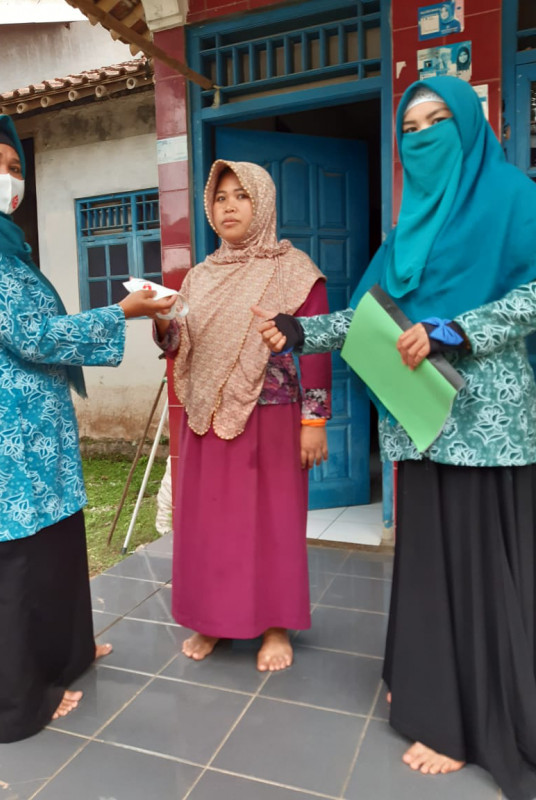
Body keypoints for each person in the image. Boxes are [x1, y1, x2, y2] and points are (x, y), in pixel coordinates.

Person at [255, 76, 536, 800]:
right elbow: (371, 316)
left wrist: (457, 328)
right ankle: (425, 691)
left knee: (478, 569)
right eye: (410, 128)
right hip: (419, 425)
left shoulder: (513, 197)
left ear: (470, 126)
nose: (424, 136)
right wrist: (302, 331)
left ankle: (472, 721)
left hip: (486, 426)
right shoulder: (407, 230)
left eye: (439, 120)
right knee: (429, 564)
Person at [0, 115, 175, 743]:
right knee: (10, 561)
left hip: (35, 425)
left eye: (15, 167)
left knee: (56, 544)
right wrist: (122, 312)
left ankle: (67, 654)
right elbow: (33, 335)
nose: (6, 178)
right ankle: (10, 704)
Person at [154, 160, 332, 671]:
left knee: (271, 522)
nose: (228, 206)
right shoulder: (199, 277)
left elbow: (318, 347)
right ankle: (212, 618)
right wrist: (160, 320)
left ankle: (275, 626)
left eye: (242, 196)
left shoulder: (294, 269)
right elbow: (178, 346)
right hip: (208, 418)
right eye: (220, 197)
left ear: (264, 203)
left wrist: (314, 421)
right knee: (210, 523)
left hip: (273, 417)